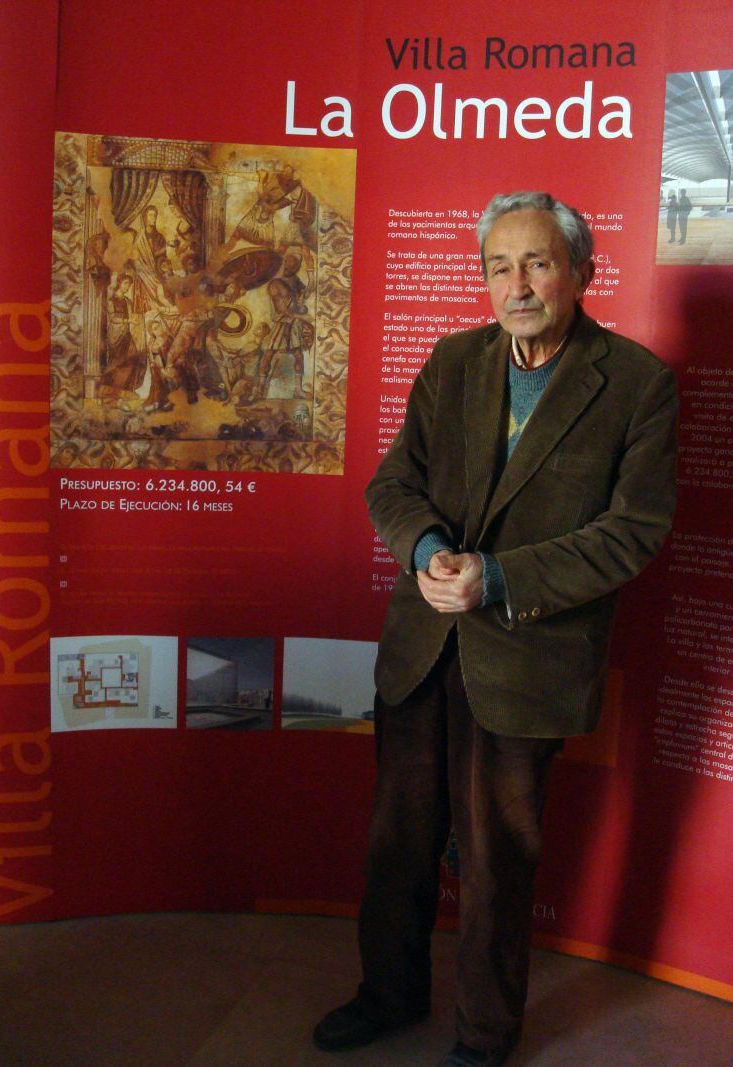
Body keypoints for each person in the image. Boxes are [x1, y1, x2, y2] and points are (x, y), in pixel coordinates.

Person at [314, 191, 678, 1067]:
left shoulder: (636, 383)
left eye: (537, 262)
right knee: (397, 842)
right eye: (498, 265)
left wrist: (502, 577)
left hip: (527, 658)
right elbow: (391, 486)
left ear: (582, 272)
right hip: (422, 647)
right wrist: (431, 549)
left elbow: (634, 531)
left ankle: (484, 1035)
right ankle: (388, 994)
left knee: (495, 861)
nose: (516, 284)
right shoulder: (452, 361)